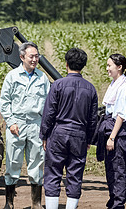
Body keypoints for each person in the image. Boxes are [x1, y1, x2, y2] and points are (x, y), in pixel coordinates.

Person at [40, 48, 98, 209]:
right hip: (79, 135)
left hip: (58, 133)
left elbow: (49, 113)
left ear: (66, 64)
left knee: (53, 173)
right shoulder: (90, 88)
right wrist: (89, 139)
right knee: (75, 174)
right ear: (83, 66)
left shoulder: (58, 85)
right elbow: (93, 119)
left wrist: (44, 135)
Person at [0, 41, 51, 209]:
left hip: (36, 124)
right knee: (13, 162)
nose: (35, 59)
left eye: (37, 56)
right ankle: (9, 203)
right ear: (22, 57)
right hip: (17, 125)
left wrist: (46, 128)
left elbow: (48, 104)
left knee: (37, 163)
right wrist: (11, 121)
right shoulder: (12, 76)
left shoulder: (42, 78)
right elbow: (5, 102)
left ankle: (36, 203)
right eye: (32, 56)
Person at [96, 54, 126, 209]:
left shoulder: (123, 87)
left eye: (109, 65)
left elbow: (120, 116)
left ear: (119, 67)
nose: (107, 68)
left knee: (118, 171)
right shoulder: (114, 83)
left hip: (117, 133)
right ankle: (113, 201)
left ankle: (118, 205)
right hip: (110, 129)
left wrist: (111, 138)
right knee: (110, 170)